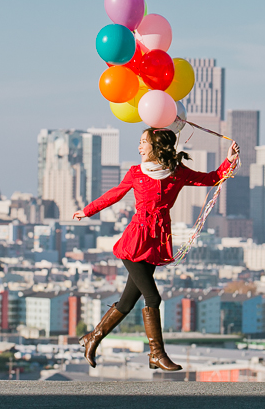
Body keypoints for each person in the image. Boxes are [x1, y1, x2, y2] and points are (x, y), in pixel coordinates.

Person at [73, 128, 239, 371]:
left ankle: (92, 338)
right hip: (135, 241)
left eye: (143, 142)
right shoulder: (135, 172)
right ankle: (156, 354)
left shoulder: (177, 172)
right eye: (139, 142)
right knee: (153, 297)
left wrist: (230, 161)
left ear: (156, 146)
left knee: (127, 302)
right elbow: (114, 195)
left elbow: (212, 178)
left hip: (157, 241)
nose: (139, 147)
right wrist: (87, 211)